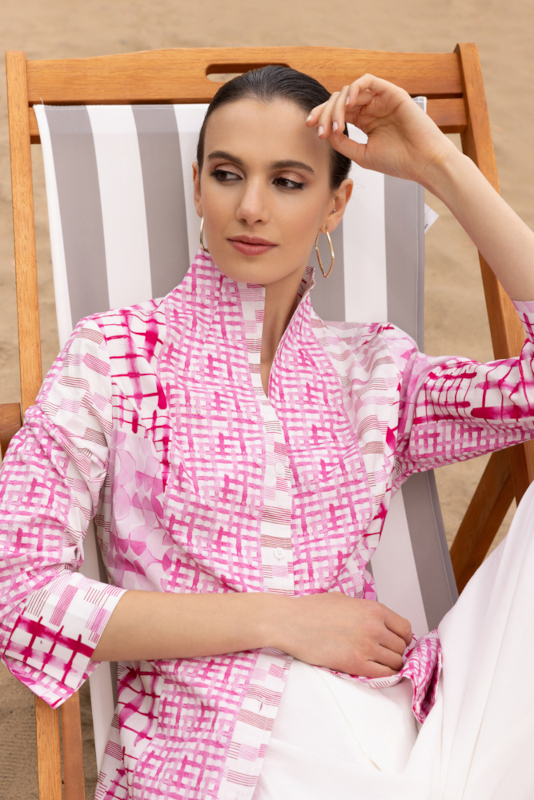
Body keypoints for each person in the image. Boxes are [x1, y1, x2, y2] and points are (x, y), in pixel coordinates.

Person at [2, 65, 534, 800]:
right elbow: (23, 599)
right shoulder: (116, 359)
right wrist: (284, 621)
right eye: (227, 175)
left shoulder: (374, 370)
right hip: (223, 749)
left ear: (334, 204)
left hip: (406, 728)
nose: (250, 208)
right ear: (197, 187)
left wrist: (440, 164)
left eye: (287, 181)